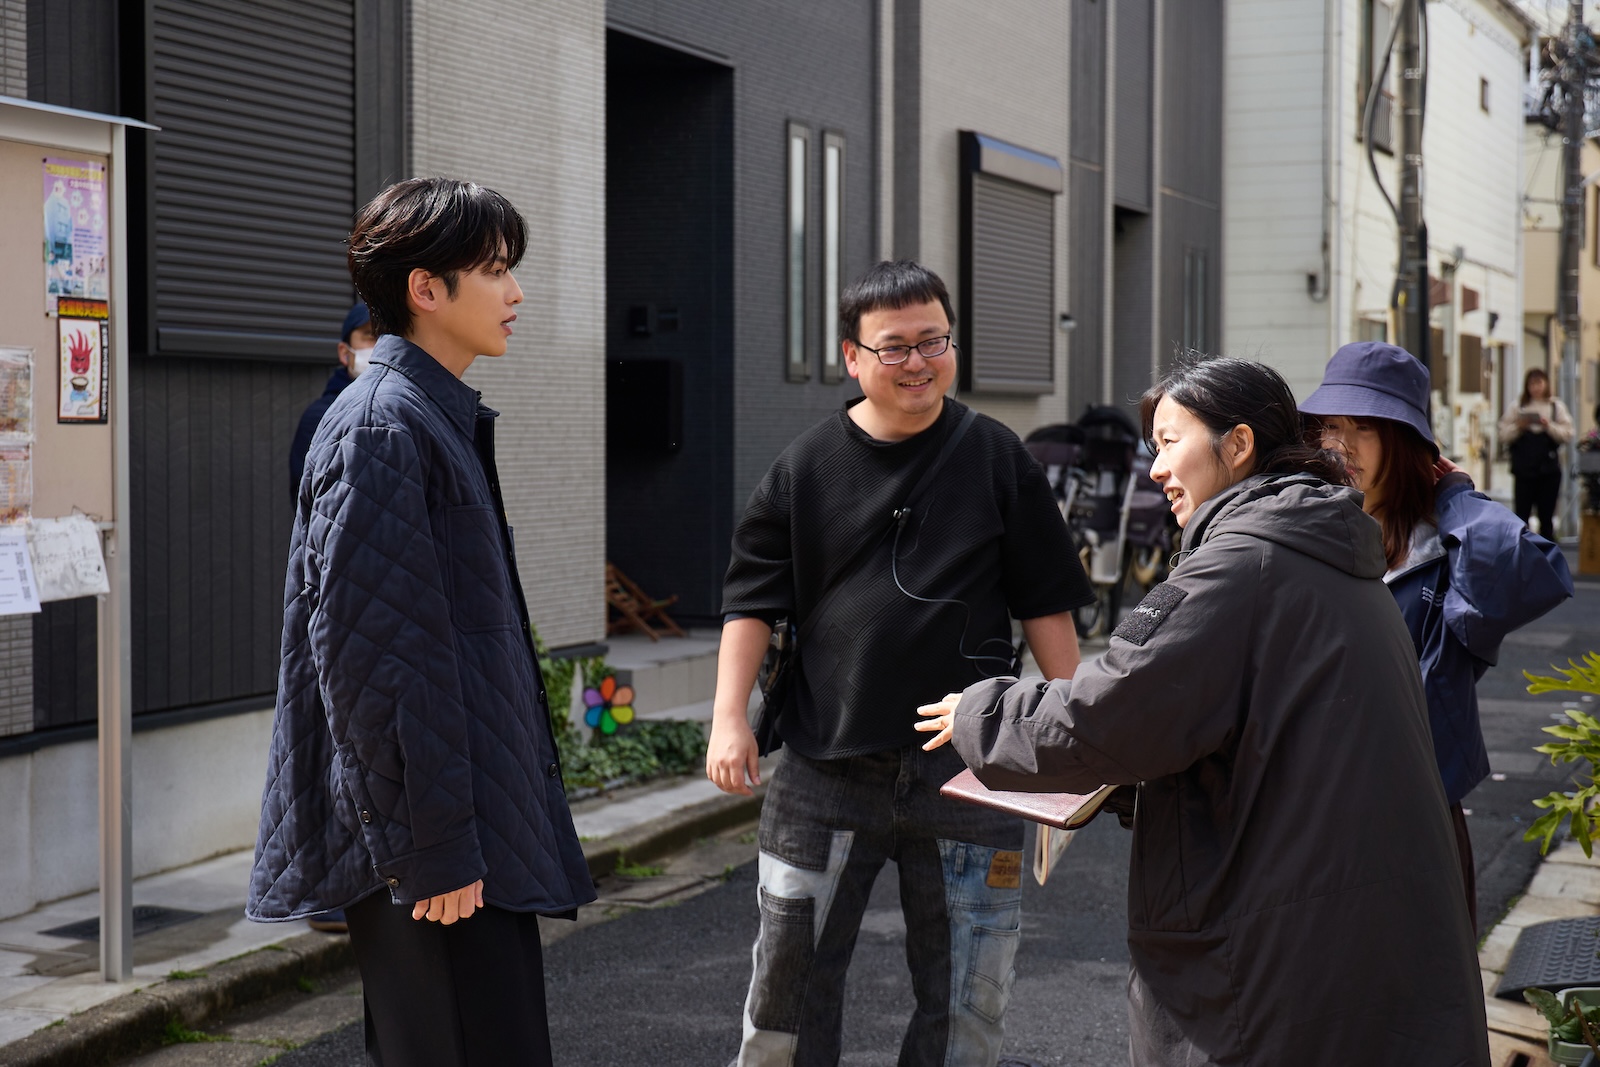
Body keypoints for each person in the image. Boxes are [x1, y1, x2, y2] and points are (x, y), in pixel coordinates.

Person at [917, 356, 1489, 1066]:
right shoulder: (1325, 548)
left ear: (1238, 444)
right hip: (1347, 933)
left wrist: (981, 712)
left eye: (1169, 441)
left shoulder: (1240, 563)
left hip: (1273, 958)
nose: (1155, 468)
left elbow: (1108, 713)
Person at [707, 259, 1093, 1066]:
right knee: (785, 996)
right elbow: (751, 602)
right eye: (894, 346)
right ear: (852, 356)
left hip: (971, 768)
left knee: (967, 1006)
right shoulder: (806, 466)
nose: (917, 361)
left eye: (933, 340)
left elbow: (1046, 602)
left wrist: (1070, 740)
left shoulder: (997, 456)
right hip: (824, 763)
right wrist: (727, 718)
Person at [247, 177, 594, 1067]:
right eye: (496, 270)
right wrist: (433, 847)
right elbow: (377, 666)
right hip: (433, 844)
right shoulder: (381, 428)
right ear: (425, 288)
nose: (517, 293)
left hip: (461, 823)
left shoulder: (425, 416)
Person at [1301, 342, 1572, 930]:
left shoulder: (1444, 544)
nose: (1340, 445)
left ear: (1404, 440)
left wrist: (1456, 495)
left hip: (1413, 820)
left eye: (1364, 427)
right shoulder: (1310, 529)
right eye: (1330, 426)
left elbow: (1530, 572)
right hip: (1312, 814)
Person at [289, 301, 377, 499]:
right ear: (345, 353)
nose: (380, 347)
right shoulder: (322, 416)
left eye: (388, 337)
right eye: (371, 336)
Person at [1498, 366, 1573, 535]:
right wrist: (1519, 427)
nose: (1536, 388)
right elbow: (1503, 434)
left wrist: (1548, 426)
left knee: (1546, 517)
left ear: (1546, 384)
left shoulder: (1555, 406)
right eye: (1532, 384)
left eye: (1539, 383)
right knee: (1521, 516)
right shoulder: (1517, 406)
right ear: (1527, 386)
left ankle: (1548, 547)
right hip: (1524, 469)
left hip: (1549, 470)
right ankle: (1523, 548)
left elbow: (1568, 433)